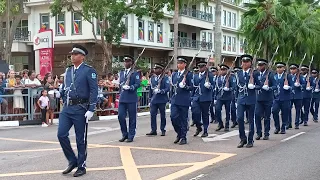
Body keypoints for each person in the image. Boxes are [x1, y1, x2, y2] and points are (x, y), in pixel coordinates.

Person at [57, 44, 98, 177]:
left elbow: (93, 90)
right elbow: (65, 87)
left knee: (80, 139)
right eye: (72, 54)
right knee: (61, 134)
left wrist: (91, 108)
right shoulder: (68, 71)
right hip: (68, 108)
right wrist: (61, 94)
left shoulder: (88, 70)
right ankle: (72, 160)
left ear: (82, 57)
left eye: (75, 54)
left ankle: (81, 165)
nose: (72, 56)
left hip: (81, 108)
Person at [235, 54, 259, 148]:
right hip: (241, 99)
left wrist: (254, 87)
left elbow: (260, 85)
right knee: (240, 118)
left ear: (250, 63)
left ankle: (250, 140)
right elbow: (236, 87)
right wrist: (236, 100)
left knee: (251, 120)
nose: (244, 63)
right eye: (243, 61)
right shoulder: (239, 73)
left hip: (251, 99)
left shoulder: (255, 73)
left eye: (247, 61)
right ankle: (242, 138)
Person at [170, 57, 193, 145]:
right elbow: (172, 87)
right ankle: (179, 133)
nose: (179, 64)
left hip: (184, 100)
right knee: (173, 117)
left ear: (184, 64)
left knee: (183, 119)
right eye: (178, 63)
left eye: (181, 63)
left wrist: (185, 87)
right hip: (175, 100)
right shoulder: (174, 74)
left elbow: (191, 87)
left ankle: (183, 137)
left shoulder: (189, 74)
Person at [118, 55, 141, 143]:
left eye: (128, 61)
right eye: (125, 61)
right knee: (120, 116)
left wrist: (130, 87)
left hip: (131, 98)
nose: (126, 63)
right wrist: (122, 85)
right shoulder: (121, 73)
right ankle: (124, 134)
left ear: (131, 63)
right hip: (123, 98)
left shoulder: (135, 73)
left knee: (132, 118)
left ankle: (131, 135)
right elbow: (120, 83)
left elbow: (138, 84)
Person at [254, 59, 276, 140]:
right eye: (259, 65)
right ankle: (258, 133)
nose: (260, 67)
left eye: (262, 65)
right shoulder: (255, 73)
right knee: (257, 115)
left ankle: (266, 133)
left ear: (265, 65)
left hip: (268, 98)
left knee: (267, 117)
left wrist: (269, 88)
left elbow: (275, 86)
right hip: (258, 98)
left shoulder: (270, 74)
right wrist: (257, 87)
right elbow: (253, 84)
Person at [191, 61, 214, 137]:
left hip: (206, 98)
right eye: (199, 67)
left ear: (205, 67)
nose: (200, 68)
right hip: (196, 97)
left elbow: (214, 86)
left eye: (202, 67)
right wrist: (192, 97)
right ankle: (198, 126)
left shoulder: (209, 75)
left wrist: (209, 86)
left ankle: (205, 130)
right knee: (195, 113)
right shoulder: (196, 76)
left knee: (205, 115)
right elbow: (194, 87)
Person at [146, 63, 170, 136]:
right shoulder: (153, 78)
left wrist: (161, 91)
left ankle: (163, 129)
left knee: (162, 115)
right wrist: (149, 100)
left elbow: (167, 88)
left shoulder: (165, 78)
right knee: (153, 115)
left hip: (162, 99)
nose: (155, 70)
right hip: (154, 100)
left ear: (161, 69)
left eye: (157, 69)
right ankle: (153, 130)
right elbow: (150, 89)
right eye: (155, 69)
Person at [214, 64, 236, 132]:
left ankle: (226, 125)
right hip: (219, 97)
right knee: (217, 110)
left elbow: (234, 87)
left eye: (224, 70)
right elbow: (217, 88)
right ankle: (220, 124)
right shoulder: (218, 78)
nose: (222, 71)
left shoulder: (231, 77)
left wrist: (228, 89)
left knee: (227, 112)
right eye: (221, 70)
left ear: (227, 70)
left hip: (228, 97)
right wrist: (215, 97)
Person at [272, 62, 292, 134]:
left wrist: (288, 87)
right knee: (274, 111)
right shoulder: (274, 76)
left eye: (280, 67)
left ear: (284, 68)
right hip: (276, 98)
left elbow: (292, 86)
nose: (279, 69)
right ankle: (277, 127)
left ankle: (283, 127)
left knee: (284, 113)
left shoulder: (288, 76)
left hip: (285, 98)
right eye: (278, 67)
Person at [288, 63, 304, 129]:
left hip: (298, 95)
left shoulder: (300, 76)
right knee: (288, 109)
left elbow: (304, 84)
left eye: (294, 69)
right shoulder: (288, 76)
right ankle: (289, 123)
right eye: (291, 69)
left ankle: (297, 123)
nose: (292, 70)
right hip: (290, 95)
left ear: (297, 70)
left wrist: (299, 85)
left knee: (298, 110)